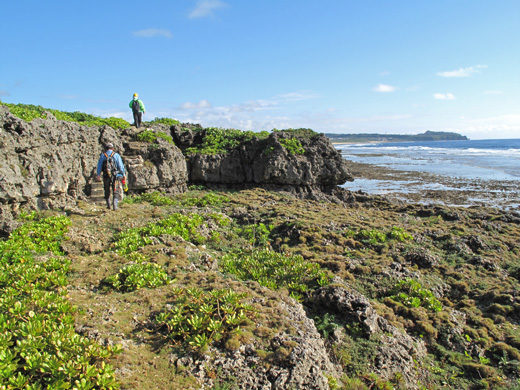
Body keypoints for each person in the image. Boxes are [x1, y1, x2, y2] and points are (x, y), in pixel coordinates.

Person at [96, 143, 126, 210]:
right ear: (112, 148)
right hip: (115, 175)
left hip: (106, 175)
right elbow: (120, 166)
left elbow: (99, 166)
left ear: (106, 148)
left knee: (107, 190)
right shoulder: (116, 155)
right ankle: (115, 206)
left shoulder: (103, 156)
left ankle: (108, 205)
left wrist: (98, 175)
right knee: (115, 190)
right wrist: (123, 174)